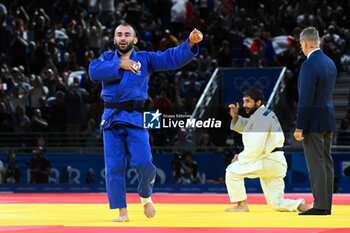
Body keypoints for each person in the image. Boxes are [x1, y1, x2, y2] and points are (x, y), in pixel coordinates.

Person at [88, 22, 202, 222]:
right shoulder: (106, 59)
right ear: (114, 39)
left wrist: (190, 44)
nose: (123, 38)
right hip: (112, 119)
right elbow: (93, 72)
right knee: (114, 167)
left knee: (145, 163)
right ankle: (122, 211)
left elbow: (170, 58)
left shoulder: (145, 59)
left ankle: (145, 196)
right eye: (119, 35)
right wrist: (120, 65)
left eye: (127, 35)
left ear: (135, 40)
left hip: (136, 119)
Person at [225, 88, 310, 213]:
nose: (245, 105)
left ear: (258, 102)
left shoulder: (261, 118)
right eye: (244, 102)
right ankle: (304, 207)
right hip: (275, 162)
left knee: (232, 171)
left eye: (248, 101)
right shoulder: (263, 114)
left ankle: (242, 205)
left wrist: (239, 158)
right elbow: (249, 127)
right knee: (277, 203)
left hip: (268, 160)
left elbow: (255, 148)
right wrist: (236, 117)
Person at [294, 27, 337, 215]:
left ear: (304, 43)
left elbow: (305, 98)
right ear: (318, 41)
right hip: (328, 117)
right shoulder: (330, 62)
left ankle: (320, 205)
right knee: (326, 162)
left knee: (316, 163)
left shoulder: (309, 65)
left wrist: (299, 126)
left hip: (313, 121)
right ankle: (325, 204)